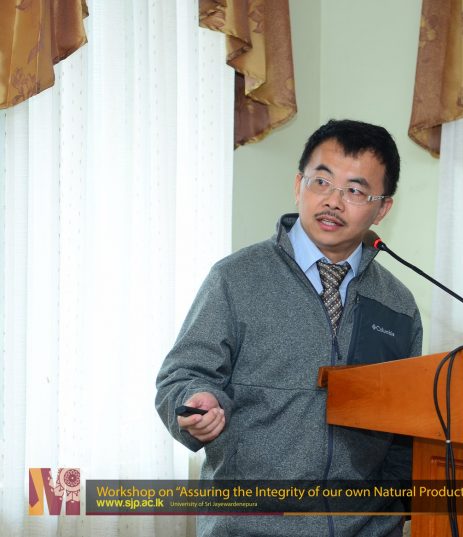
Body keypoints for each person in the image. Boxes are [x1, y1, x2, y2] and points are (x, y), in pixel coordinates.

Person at [156, 119, 423, 537]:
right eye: (322, 181)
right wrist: (195, 400)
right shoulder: (236, 279)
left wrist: (392, 508)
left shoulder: (398, 304)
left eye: (355, 191)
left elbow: (404, 426)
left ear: (382, 208)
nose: (333, 201)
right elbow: (181, 376)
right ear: (299, 185)